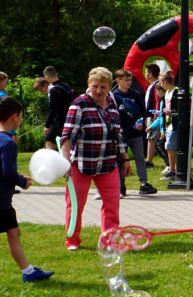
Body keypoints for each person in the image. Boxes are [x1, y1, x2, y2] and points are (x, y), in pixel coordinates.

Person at [61, 67, 130, 251]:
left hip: (108, 163)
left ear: (109, 87)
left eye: (103, 87)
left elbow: (118, 134)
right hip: (81, 164)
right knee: (75, 204)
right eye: (95, 86)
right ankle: (72, 240)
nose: (98, 90)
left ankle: (109, 240)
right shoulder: (79, 104)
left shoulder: (112, 103)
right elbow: (67, 136)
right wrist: (65, 163)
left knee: (112, 204)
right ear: (88, 84)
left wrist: (125, 159)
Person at [0, 98, 53, 281]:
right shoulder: (8, 143)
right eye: (21, 116)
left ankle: (28, 272)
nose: (21, 120)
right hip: (1, 201)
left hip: (4, 202)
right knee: (13, 232)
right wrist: (23, 182)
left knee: (13, 232)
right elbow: (7, 172)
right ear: (14, 117)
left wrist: (19, 176)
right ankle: (28, 272)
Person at [112, 70, 157, 196]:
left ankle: (144, 184)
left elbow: (143, 112)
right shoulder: (113, 96)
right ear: (118, 80)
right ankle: (121, 186)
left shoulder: (136, 94)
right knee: (122, 160)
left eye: (130, 80)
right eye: (126, 80)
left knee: (140, 158)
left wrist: (141, 122)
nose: (129, 82)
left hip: (136, 133)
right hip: (121, 134)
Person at [40, 66, 74, 151]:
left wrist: (47, 125)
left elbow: (53, 109)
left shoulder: (54, 90)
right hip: (70, 118)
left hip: (59, 121)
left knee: (49, 140)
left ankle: (53, 158)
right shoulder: (66, 86)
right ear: (56, 74)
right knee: (62, 141)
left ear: (46, 77)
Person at [159, 72, 181, 180]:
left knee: (170, 147)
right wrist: (163, 127)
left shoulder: (176, 91)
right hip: (168, 124)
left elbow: (181, 109)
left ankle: (173, 171)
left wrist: (171, 111)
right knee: (169, 147)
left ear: (165, 82)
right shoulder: (166, 93)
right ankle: (173, 169)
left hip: (175, 124)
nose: (160, 85)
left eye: (161, 82)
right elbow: (164, 112)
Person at [141, 63, 161, 167]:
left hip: (154, 115)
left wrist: (155, 116)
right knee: (151, 137)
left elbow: (157, 102)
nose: (145, 74)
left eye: (146, 72)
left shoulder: (157, 86)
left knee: (151, 137)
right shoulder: (152, 85)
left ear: (150, 74)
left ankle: (149, 161)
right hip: (150, 115)